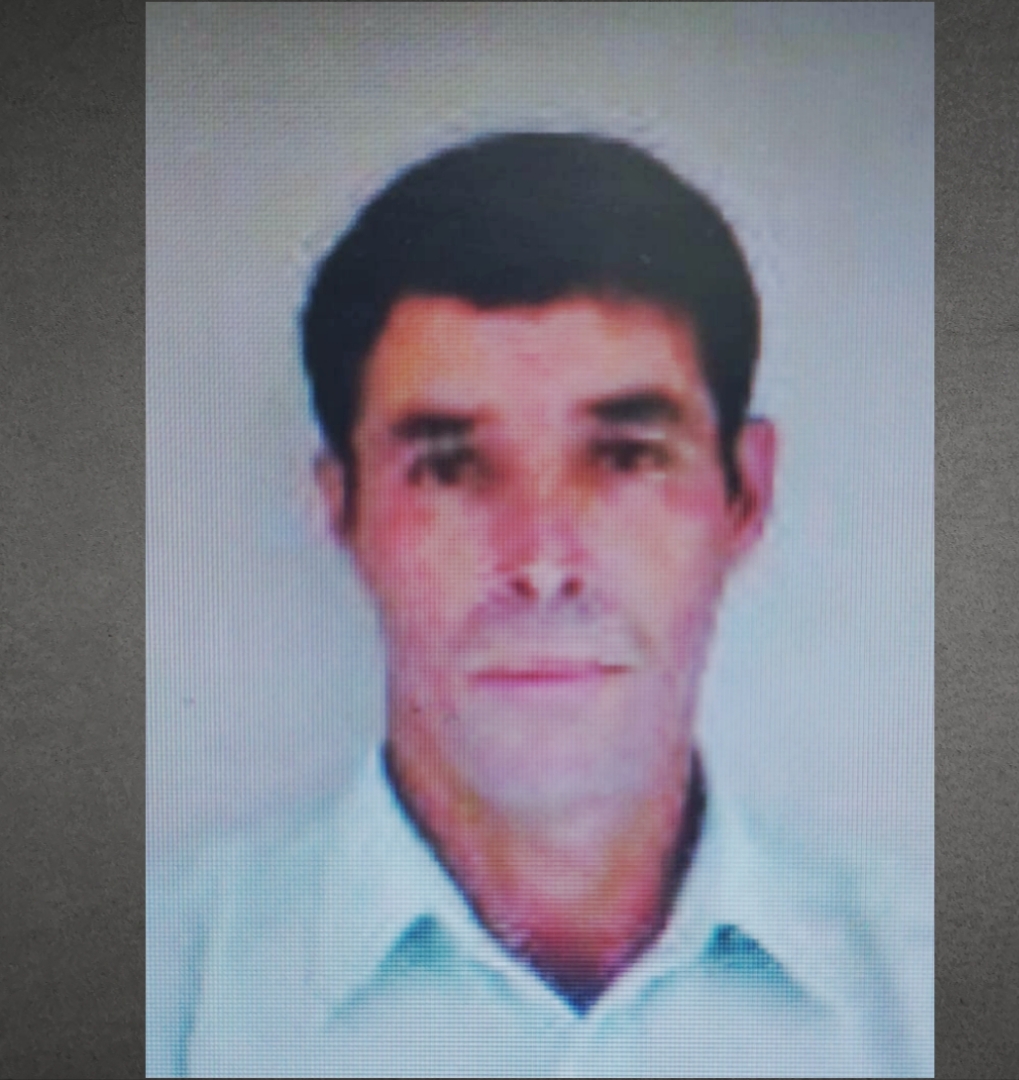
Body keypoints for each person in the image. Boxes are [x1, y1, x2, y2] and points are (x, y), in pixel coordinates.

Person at [147, 132, 927, 1078]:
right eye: (449, 467)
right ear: (342, 508)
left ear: (745, 495)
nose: (543, 563)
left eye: (628, 457)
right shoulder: (159, 996)